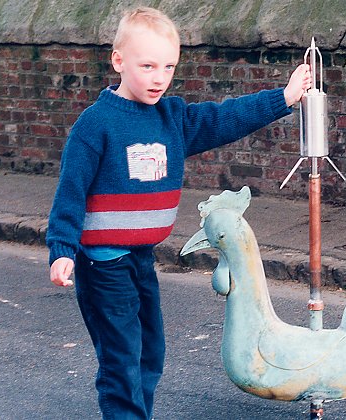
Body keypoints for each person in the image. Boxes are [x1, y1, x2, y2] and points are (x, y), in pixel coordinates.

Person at [46, 6, 311, 420]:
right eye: (147, 65)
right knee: (122, 357)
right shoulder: (95, 124)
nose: (158, 77)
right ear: (119, 61)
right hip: (102, 265)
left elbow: (225, 118)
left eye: (168, 66)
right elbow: (70, 192)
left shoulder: (172, 119)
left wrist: (283, 98)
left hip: (140, 258)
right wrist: (62, 248)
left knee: (150, 352)